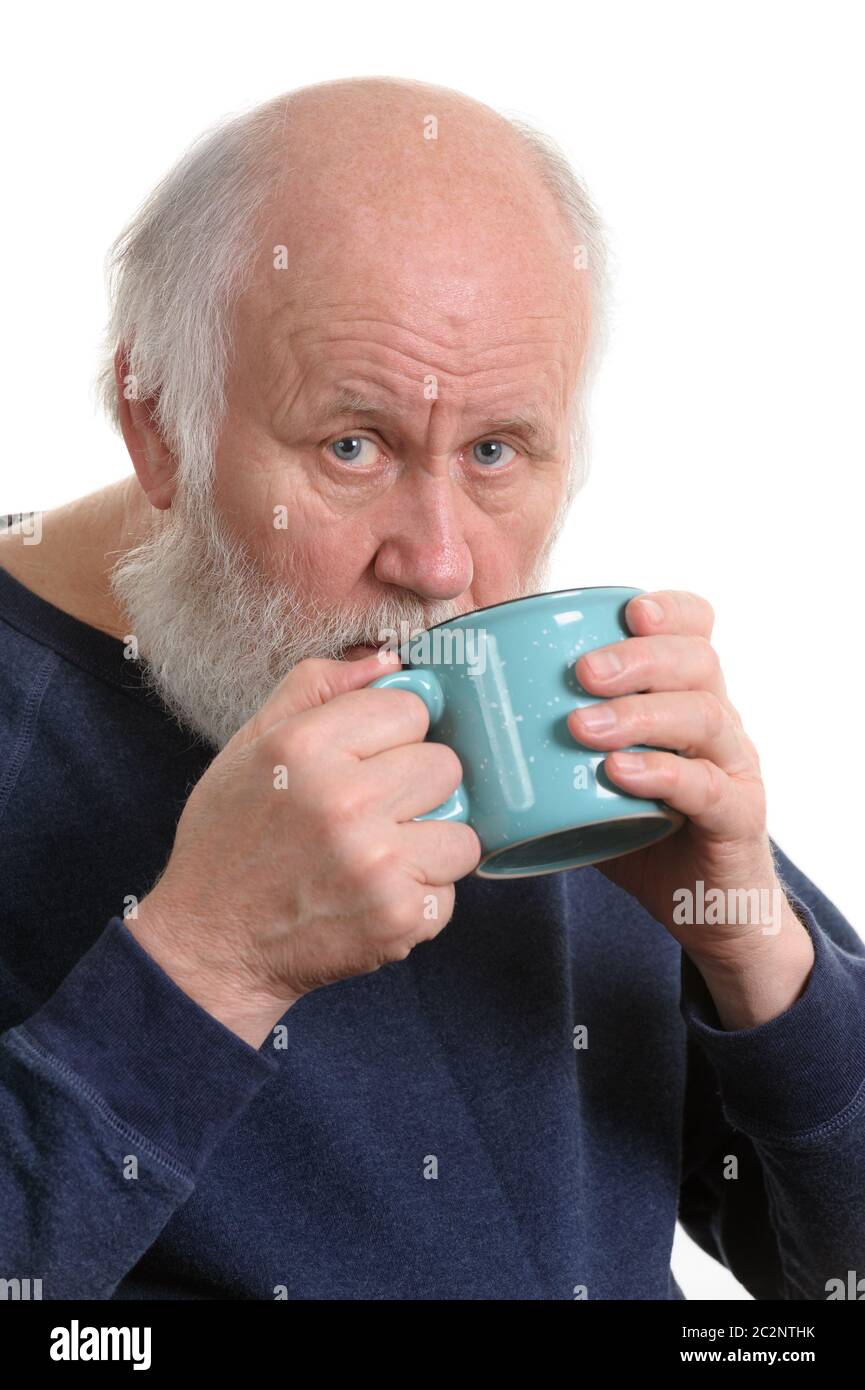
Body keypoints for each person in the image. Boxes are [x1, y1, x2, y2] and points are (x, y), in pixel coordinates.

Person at [0, 76, 862, 1301]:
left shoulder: (541, 715)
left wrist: (758, 950)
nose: (441, 564)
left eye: (496, 450)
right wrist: (208, 969)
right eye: (353, 446)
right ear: (157, 424)